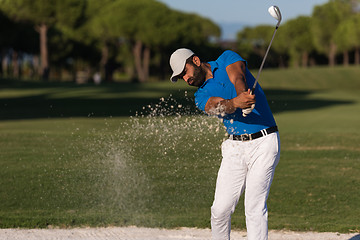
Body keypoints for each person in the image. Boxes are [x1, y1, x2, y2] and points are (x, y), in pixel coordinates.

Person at [169, 48, 281, 240]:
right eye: (180, 77)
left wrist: (242, 95)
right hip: (235, 148)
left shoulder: (226, 58)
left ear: (195, 60)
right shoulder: (200, 96)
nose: (185, 79)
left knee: (254, 206)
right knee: (219, 210)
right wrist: (237, 103)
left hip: (264, 142)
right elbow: (216, 106)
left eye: (184, 72)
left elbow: (238, 76)